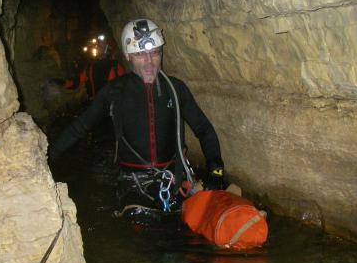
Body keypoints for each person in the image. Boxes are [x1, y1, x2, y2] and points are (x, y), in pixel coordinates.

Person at [49, 18, 225, 214]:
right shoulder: (114, 91)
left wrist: (216, 170)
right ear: (128, 56)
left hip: (173, 179)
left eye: (155, 53)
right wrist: (49, 156)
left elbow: (203, 129)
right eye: (141, 54)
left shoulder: (175, 89)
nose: (149, 62)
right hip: (133, 183)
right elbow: (80, 126)